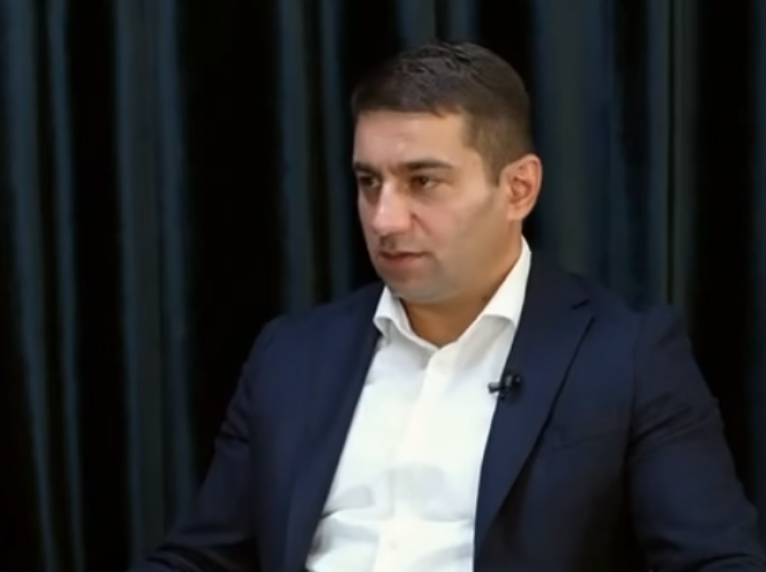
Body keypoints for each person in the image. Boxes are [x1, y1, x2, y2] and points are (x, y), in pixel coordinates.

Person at [129, 41, 766, 572]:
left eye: (423, 182)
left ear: (518, 189)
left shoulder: (627, 354)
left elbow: (715, 560)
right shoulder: (292, 354)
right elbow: (202, 557)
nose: (384, 218)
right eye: (368, 182)